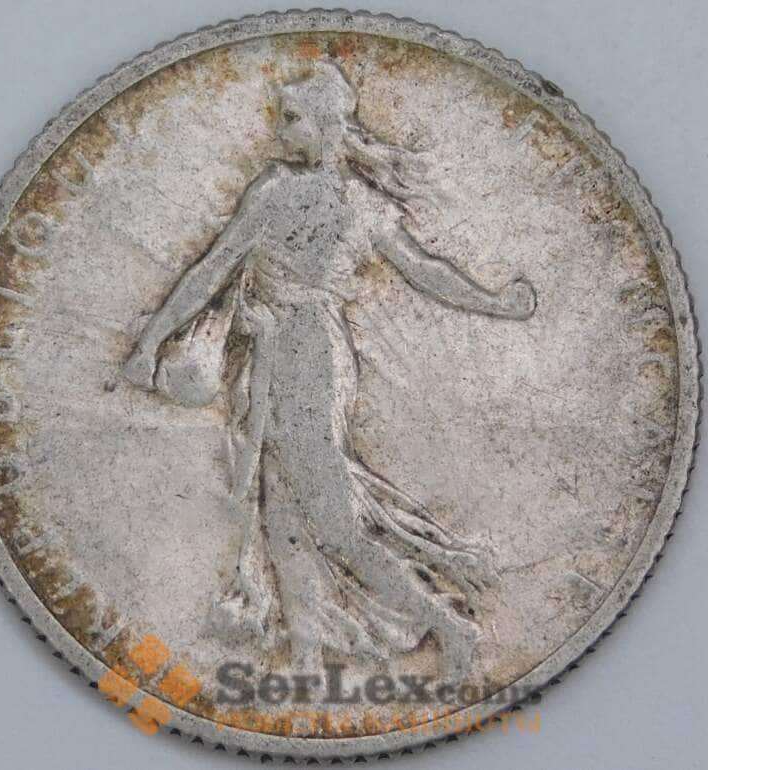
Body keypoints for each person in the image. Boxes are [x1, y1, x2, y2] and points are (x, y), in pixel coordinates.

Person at [124, 62, 535, 677]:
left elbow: (424, 270)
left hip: (308, 351)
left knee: (333, 520)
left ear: (325, 124)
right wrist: (150, 340)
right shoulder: (277, 188)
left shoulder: (341, 201)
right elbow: (211, 268)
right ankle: (306, 653)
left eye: (291, 118)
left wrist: (495, 303)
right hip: (271, 348)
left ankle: (450, 625)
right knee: (280, 510)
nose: (279, 129)